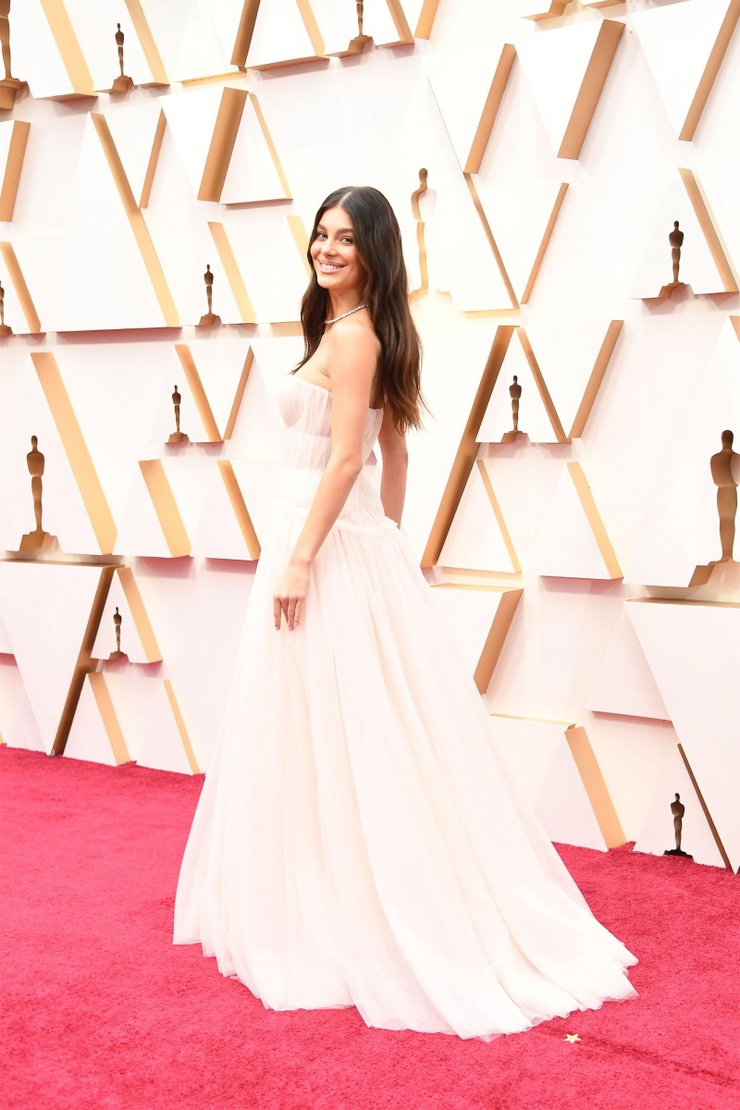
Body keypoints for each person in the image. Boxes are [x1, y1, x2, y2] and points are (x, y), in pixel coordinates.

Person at [173, 185, 638, 1040]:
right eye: (319, 234)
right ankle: (317, 896)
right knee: (319, 726)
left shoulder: (353, 338)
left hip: (315, 547)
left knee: (342, 727)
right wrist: (384, 542)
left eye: (345, 238)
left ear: (374, 250)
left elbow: (349, 456)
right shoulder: (348, 329)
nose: (326, 248)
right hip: (331, 542)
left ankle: (347, 911)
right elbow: (392, 448)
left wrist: (313, 557)